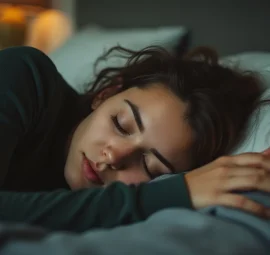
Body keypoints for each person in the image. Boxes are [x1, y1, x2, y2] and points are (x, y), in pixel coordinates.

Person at [0, 45, 269, 232]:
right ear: (105, 94)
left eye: (150, 167)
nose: (115, 156)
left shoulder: (106, 212)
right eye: (121, 124)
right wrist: (176, 193)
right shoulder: (26, 75)